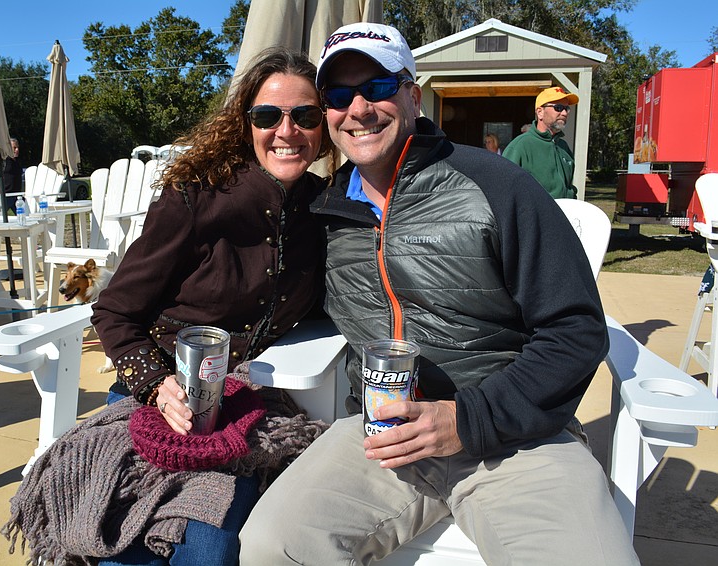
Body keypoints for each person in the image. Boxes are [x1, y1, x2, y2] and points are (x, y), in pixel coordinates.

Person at [239, 23, 640, 565]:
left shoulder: (495, 185)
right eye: (338, 96)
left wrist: (469, 419)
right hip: (383, 437)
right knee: (270, 547)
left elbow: (576, 329)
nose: (358, 108)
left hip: (516, 438)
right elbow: (263, 297)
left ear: (413, 93)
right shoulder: (326, 212)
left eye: (377, 87)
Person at [2, 47, 335, 565]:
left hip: (247, 408)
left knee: (210, 547)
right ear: (246, 124)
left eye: (305, 115)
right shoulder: (195, 198)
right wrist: (160, 386)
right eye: (267, 116)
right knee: (118, 538)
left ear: (325, 124)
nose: (286, 131)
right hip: (156, 395)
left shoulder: (325, 207)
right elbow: (115, 311)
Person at [503, 87, 580, 198]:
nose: (564, 113)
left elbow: (568, 188)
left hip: (563, 213)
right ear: (540, 112)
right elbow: (505, 189)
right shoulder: (520, 146)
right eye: (558, 108)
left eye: (566, 108)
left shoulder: (563, 147)